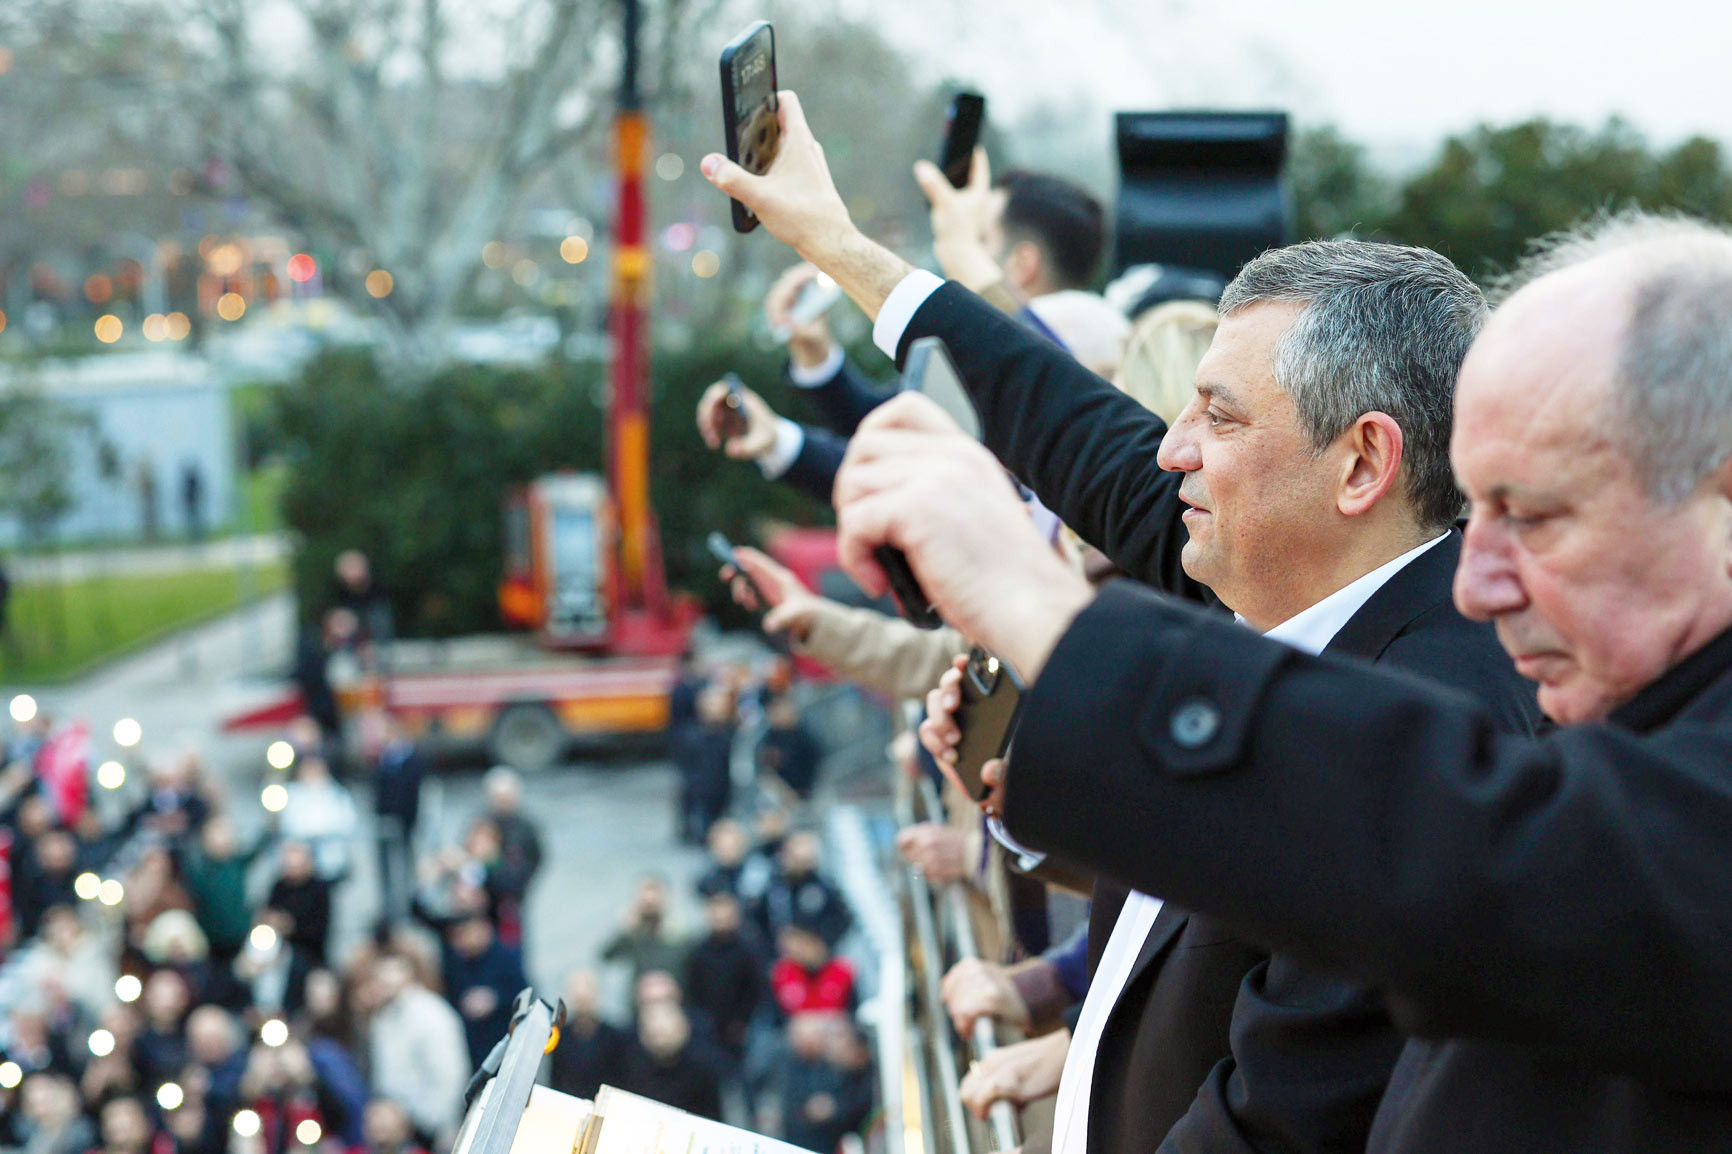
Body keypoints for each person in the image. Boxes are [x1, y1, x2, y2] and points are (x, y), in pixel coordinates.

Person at [728, 104, 1732, 1146]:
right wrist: (836, 244)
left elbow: (1426, 845)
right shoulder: (1275, 564)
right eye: (1481, 507)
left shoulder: (1461, 709)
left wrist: (1045, 617)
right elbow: (1076, 429)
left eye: (1530, 515)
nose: (1478, 583)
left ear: (1359, 465)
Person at [366, 955, 470, 1146]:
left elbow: (450, 1077)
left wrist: (427, 1124)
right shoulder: (382, 1018)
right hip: (395, 1126)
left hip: (427, 1130)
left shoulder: (432, 1014)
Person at [549, 969, 631, 1101]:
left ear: (598, 994)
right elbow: (555, 1082)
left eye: (587, 993)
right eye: (577, 996)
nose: (582, 998)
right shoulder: (558, 1037)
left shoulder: (617, 1038)